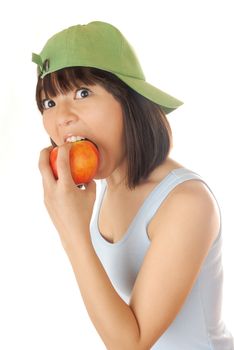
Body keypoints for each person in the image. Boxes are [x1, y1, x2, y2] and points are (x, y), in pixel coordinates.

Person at [32, 21, 234, 349]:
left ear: (128, 101)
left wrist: (71, 230)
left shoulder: (186, 203)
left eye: (82, 93)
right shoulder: (110, 184)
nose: (61, 116)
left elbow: (131, 343)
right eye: (48, 102)